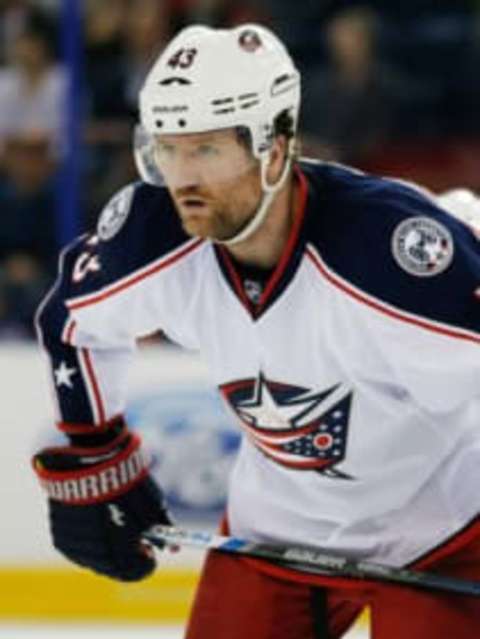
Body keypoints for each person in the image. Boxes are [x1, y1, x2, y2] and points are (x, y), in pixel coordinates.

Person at [32, 23, 480, 639]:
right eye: (168, 148)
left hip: (444, 531)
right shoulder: (153, 234)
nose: (182, 178)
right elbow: (71, 321)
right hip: (275, 534)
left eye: (208, 150)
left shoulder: (390, 257)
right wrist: (96, 455)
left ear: (274, 147)